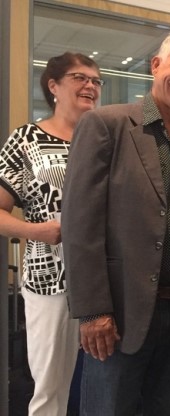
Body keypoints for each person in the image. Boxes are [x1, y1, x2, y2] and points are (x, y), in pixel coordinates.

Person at [61, 28, 170, 415]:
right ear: (156, 65)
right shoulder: (106, 125)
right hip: (119, 311)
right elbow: (80, 226)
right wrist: (94, 311)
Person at [0, 52, 101, 416]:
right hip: (49, 279)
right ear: (53, 86)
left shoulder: (105, 138)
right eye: (80, 77)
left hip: (102, 280)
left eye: (96, 80)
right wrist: (35, 231)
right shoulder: (26, 139)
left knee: (105, 385)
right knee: (50, 389)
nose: (90, 85)